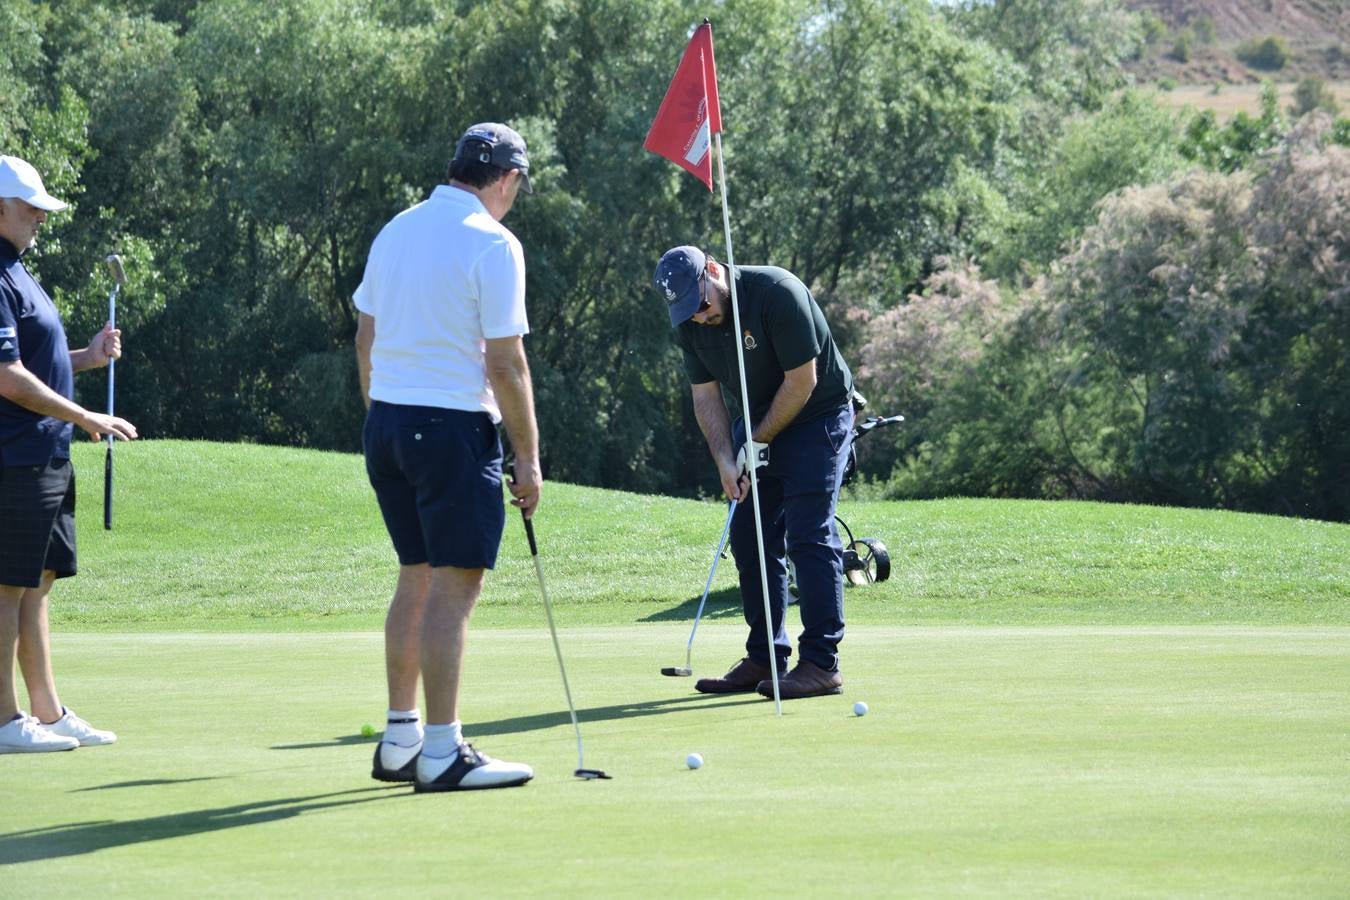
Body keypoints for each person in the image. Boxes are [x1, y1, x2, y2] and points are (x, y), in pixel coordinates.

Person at [354, 123, 542, 792]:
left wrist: (385, 414)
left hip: (389, 424)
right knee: (455, 586)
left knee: (417, 573)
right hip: (451, 425)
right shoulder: (494, 243)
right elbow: (505, 363)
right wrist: (529, 457)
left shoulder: (397, 228)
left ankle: (401, 738)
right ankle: (442, 750)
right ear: (506, 179)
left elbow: (366, 336)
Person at [653, 245, 856, 700]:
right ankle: (765, 655)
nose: (700, 317)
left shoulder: (776, 292)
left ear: (712, 271)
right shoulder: (692, 323)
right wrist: (726, 460)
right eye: (688, 312)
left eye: (702, 304)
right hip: (760, 420)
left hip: (818, 416)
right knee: (749, 536)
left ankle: (822, 663)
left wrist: (757, 442)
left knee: (808, 533)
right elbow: (706, 398)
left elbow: (801, 382)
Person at [0, 155, 138, 753]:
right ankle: (6, 723)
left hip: (46, 454)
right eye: (30, 207)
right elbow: (7, 378)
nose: (40, 218)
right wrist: (84, 416)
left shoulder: (19, 270)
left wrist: (85, 358)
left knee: (37, 586)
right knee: (7, 590)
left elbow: (36, 364)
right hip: (14, 456)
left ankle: (47, 713)